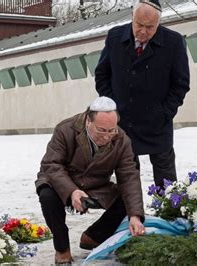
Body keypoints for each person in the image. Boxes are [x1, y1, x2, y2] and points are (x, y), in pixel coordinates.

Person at [35, 96, 145, 264]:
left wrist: (135, 216)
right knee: (47, 196)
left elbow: (129, 177)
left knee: (128, 200)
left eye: (111, 130)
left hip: (96, 185)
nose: (107, 136)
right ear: (88, 121)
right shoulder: (65, 129)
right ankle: (62, 248)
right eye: (101, 130)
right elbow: (52, 164)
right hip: (61, 181)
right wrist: (72, 191)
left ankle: (93, 236)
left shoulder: (122, 139)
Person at [95, 0, 190, 189]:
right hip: (123, 120)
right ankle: (131, 215)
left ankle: (170, 215)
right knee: (127, 177)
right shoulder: (115, 37)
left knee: (166, 182)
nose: (143, 32)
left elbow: (180, 84)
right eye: (139, 25)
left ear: (158, 24)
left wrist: (164, 112)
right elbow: (102, 75)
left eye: (150, 27)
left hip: (157, 121)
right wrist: (112, 107)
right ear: (132, 17)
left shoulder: (173, 42)